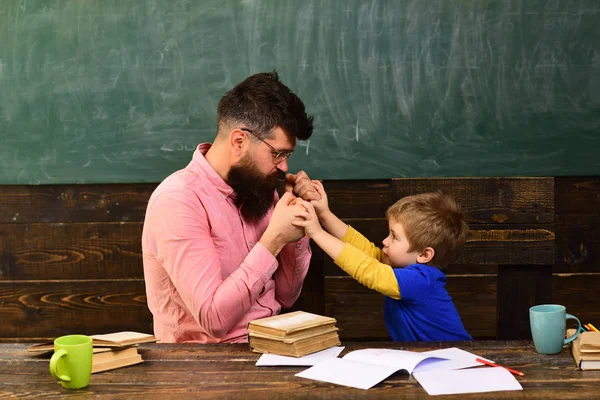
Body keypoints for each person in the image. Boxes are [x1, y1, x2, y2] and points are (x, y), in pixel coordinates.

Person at [142, 72, 319, 343]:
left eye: (287, 155)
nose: (284, 166)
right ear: (239, 141)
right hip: (205, 368)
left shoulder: (260, 187)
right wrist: (273, 240)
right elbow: (214, 320)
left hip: (271, 349)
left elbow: (285, 295)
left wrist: (297, 222)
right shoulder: (178, 200)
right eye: (278, 153)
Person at [292, 183, 472, 341]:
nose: (385, 241)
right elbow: (365, 250)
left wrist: (317, 232)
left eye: (394, 237)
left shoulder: (422, 280)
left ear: (424, 255)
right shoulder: (401, 269)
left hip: (455, 359)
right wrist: (325, 214)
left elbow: (368, 270)